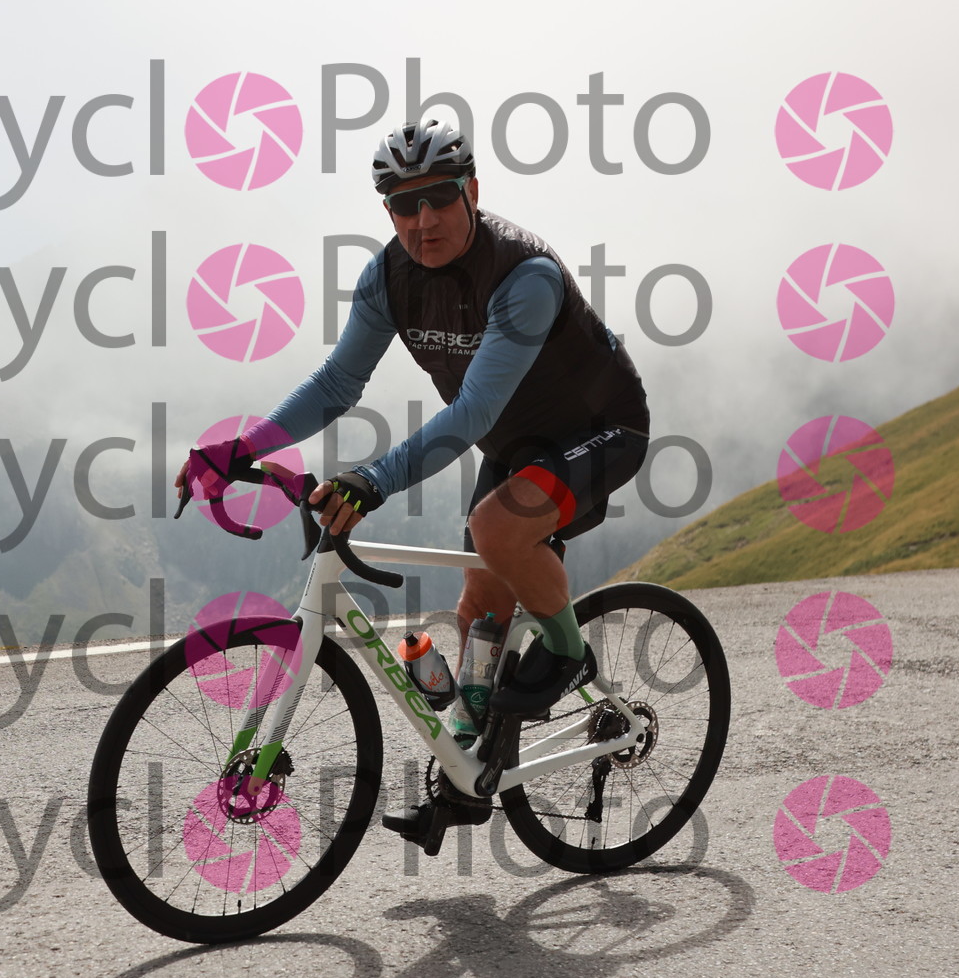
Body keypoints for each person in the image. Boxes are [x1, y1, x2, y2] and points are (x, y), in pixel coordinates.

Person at [176, 118, 651, 828]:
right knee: (479, 605)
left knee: (497, 529)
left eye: (439, 198)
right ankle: (470, 767)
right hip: (517, 442)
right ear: (388, 209)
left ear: (472, 192)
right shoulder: (388, 278)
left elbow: (472, 411)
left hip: (601, 429)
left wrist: (372, 480)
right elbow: (337, 383)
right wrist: (243, 447)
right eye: (403, 203)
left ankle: (568, 653)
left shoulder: (525, 276)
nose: (422, 220)